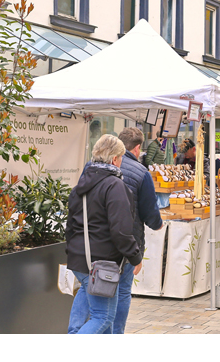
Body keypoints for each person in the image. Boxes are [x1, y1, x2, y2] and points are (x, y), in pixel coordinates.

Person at [68, 127, 164, 335]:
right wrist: (135, 256)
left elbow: (72, 222)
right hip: (104, 260)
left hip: (80, 257)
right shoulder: (115, 185)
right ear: (114, 159)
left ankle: (74, 334)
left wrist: (72, 251)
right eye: (120, 157)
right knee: (104, 317)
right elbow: (120, 230)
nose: (122, 161)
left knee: (87, 294)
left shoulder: (82, 182)